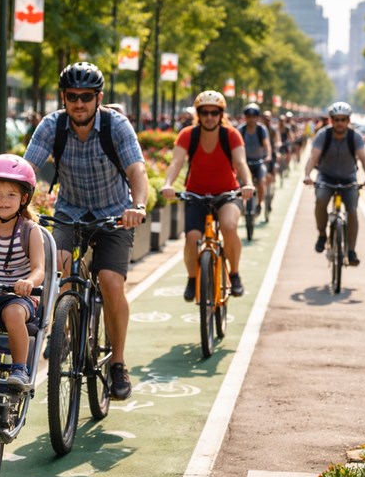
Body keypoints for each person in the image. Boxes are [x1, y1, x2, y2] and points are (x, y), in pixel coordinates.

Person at [24, 61, 148, 401]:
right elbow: (28, 169)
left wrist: (137, 207)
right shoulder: (53, 126)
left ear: (99, 98)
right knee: (60, 264)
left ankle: (118, 362)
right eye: (73, 96)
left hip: (115, 215)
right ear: (63, 97)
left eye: (87, 97)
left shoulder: (115, 125)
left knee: (110, 282)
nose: (79, 103)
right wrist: (16, 200)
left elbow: (137, 171)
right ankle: (64, 325)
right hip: (70, 213)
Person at [161, 90, 254, 300]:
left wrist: (247, 183)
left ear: (221, 114)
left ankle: (235, 274)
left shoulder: (231, 135)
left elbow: (240, 162)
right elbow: (176, 162)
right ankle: (193, 278)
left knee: (229, 226)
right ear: (198, 114)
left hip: (228, 193)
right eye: (204, 112)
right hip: (196, 194)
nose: (209, 117)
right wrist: (167, 184)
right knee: (192, 237)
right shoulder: (188, 135)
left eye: (214, 112)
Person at [0, 154, 45, 391]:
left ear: (24, 198)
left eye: (11, 195)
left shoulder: (29, 230)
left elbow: (39, 269)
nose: (3, 201)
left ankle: (19, 368)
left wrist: (28, 282)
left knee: (13, 314)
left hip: (20, 296)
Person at [302, 101, 365, 266]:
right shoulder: (323, 135)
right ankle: (322, 234)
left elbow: (364, 159)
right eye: (336, 119)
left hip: (349, 179)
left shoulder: (355, 136)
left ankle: (351, 250)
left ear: (348, 120)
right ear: (331, 120)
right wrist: (307, 174)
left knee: (353, 211)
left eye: (343, 119)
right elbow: (313, 157)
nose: (340, 123)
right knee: (320, 200)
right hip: (326, 178)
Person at [239, 103, 272, 216]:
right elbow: (235, 147)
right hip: (244, 163)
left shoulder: (261, 129)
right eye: (248, 116)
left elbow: (266, 144)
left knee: (262, 182)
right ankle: (241, 206)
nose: (251, 119)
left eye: (254, 116)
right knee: (239, 184)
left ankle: (259, 204)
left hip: (259, 162)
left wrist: (268, 155)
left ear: (257, 118)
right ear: (245, 117)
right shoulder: (241, 130)